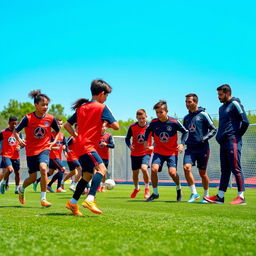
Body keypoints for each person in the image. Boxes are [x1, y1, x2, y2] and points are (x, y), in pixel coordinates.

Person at [65, 79, 119, 216]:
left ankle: (72, 202)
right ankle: (90, 198)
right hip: (88, 146)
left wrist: (76, 135)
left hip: (79, 146)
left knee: (87, 175)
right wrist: (106, 125)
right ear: (101, 94)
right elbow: (117, 126)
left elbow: (66, 125)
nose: (106, 98)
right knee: (102, 169)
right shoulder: (102, 107)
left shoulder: (81, 108)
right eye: (106, 96)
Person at [204, 84, 249, 205]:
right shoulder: (221, 108)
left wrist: (236, 135)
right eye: (218, 94)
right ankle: (220, 197)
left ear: (227, 93)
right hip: (223, 143)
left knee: (235, 167)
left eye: (220, 94)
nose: (218, 97)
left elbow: (245, 121)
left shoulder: (235, 104)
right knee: (225, 170)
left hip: (232, 141)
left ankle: (241, 197)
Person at [14, 90, 60, 207]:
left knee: (43, 168)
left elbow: (58, 132)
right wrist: (20, 140)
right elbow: (15, 131)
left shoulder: (50, 119)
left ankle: (43, 199)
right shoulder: (28, 118)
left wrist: (52, 142)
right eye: (43, 104)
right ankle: (22, 188)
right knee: (32, 178)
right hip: (30, 151)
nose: (45, 107)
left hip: (44, 149)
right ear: (36, 105)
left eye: (47, 105)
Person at [144, 100, 188, 202]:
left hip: (171, 152)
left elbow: (185, 132)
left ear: (166, 111)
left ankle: (178, 188)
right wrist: (146, 141)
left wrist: (182, 144)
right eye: (157, 112)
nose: (158, 114)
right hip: (158, 151)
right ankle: (155, 193)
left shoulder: (174, 122)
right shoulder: (154, 122)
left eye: (161, 112)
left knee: (172, 173)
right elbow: (148, 130)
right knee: (154, 169)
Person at [183, 94, 217, 203]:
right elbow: (185, 133)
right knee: (186, 168)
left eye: (189, 102)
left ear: (195, 102)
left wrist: (204, 138)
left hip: (203, 148)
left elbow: (213, 129)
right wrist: (182, 143)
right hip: (190, 149)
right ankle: (194, 193)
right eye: (186, 102)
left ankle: (206, 195)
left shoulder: (204, 115)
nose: (187, 104)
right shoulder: (186, 118)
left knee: (202, 173)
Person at [125, 109, 152, 199]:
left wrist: (153, 146)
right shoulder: (132, 127)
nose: (141, 120)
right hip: (135, 154)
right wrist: (129, 146)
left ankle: (147, 189)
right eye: (139, 118)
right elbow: (127, 138)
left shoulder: (150, 126)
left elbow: (157, 137)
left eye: (143, 118)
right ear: (136, 117)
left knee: (144, 169)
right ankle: (136, 188)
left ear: (146, 117)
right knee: (135, 173)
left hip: (146, 152)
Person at [0, 116, 22, 194]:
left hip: (16, 156)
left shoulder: (19, 133)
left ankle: (16, 189)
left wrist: (19, 146)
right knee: (9, 170)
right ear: (9, 123)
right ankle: (3, 183)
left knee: (17, 173)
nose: (14, 125)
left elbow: (21, 143)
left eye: (16, 124)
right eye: (13, 124)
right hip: (6, 155)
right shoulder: (3, 132)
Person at [61, 124, 82, 192]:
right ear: (75, 129)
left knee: (73, 172)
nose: (79, 129)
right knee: (80, 169)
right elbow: (65, 145)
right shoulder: (72, 137)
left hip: (77, 157)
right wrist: (66, 151)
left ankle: (62, 181)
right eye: (78, 128)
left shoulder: (80, 137)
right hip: (72, 157)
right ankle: (73, 185)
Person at [97, 122, 115, 192]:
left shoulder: (109, 136)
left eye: (103, 127)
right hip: (96, 157)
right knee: (97, 171)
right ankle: (97, 186)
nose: (102, 128)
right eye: (101, 126)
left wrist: (106, 144)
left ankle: (102, 185)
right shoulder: (95, 135)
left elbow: (113, 145)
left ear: (106, 127)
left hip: (105, 157)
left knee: (103, 173)